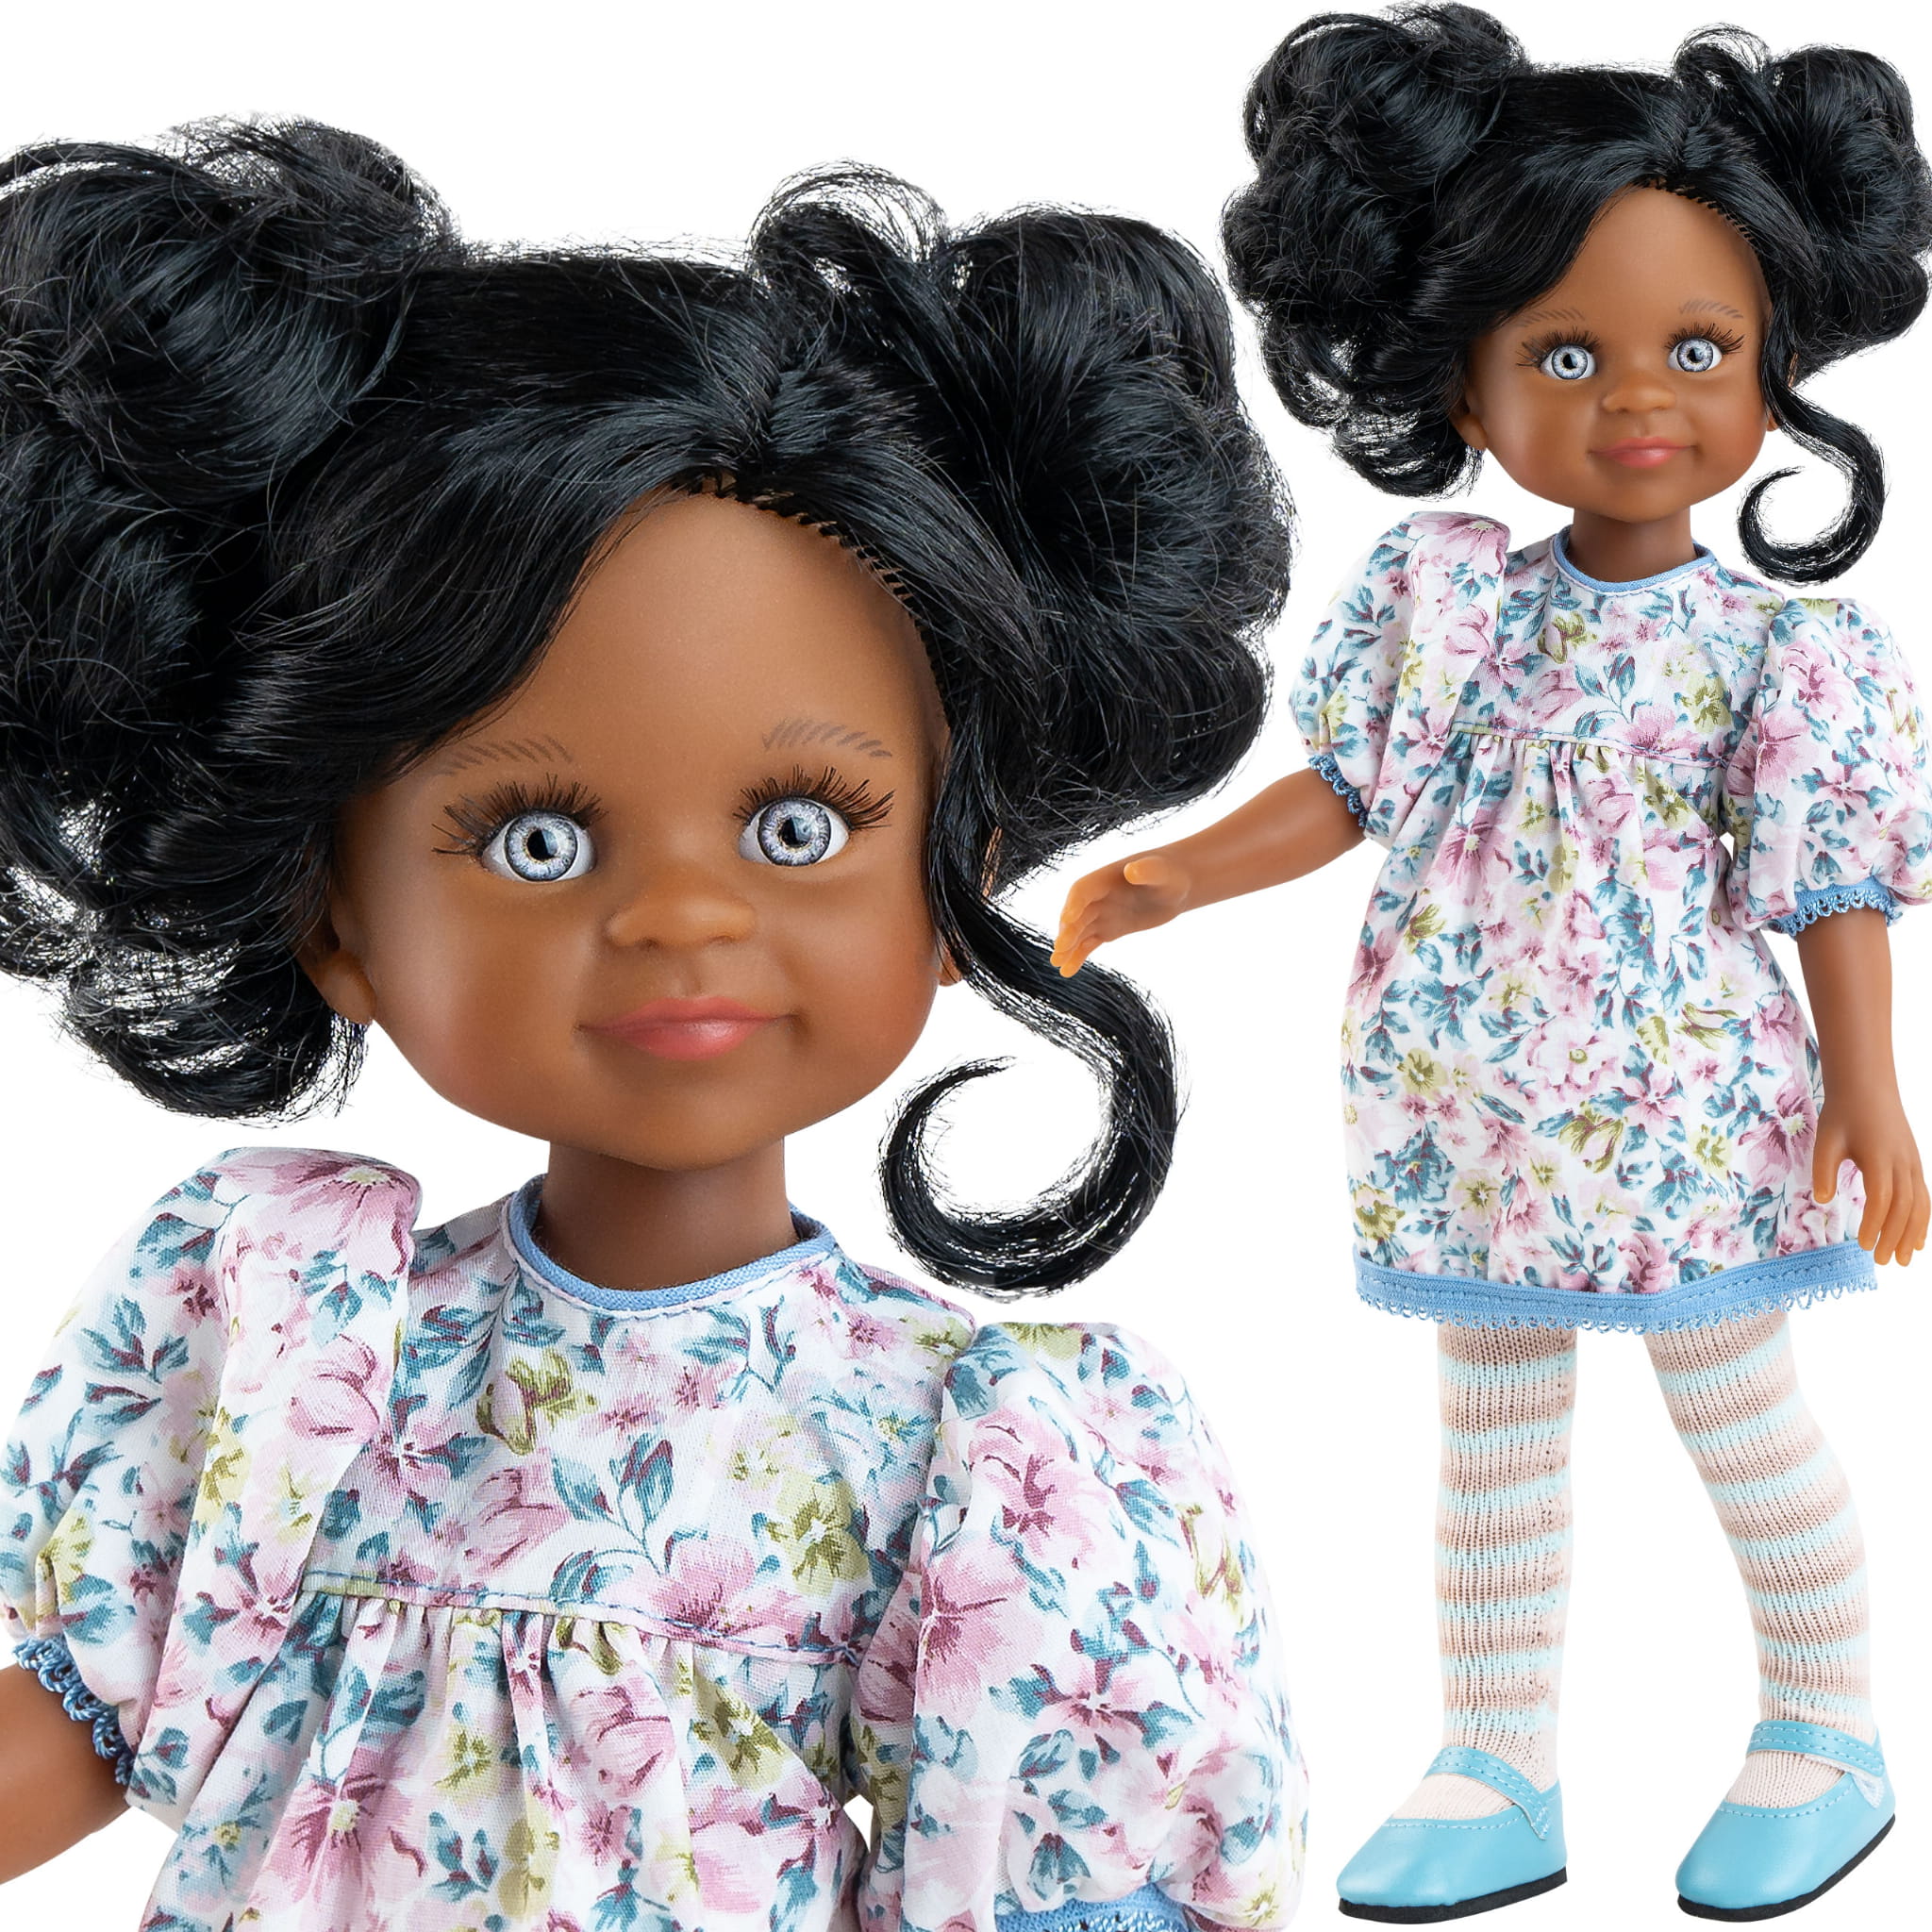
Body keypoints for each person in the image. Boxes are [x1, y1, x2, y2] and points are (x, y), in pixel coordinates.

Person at [0, 121, 1307, 1930]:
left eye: (801, 828)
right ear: (331, 915)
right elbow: (82, 1719)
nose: (683, 918)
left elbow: (1043, 1878)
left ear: (955, 881)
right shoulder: (300, 1344)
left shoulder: (965, 1452)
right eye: (535, 840)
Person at [1057, 7, 1931, 1921]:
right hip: (1459, 1096)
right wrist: (1179, 874)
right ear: (1461, 385)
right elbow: (1347, 792)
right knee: (1492, 1430)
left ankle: (1828, 1725)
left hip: (1686, 1101)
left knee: (1740, 1409)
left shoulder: (1783, 652)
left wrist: (1870, 1086)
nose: (1638, 402)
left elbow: (1831, 885)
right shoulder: (1444, 598)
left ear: (1772, 369)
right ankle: (1496, 1753)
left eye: (1698, 350)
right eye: (1564, 354)